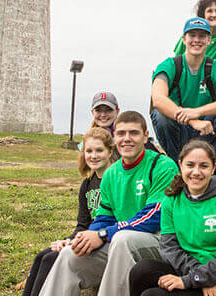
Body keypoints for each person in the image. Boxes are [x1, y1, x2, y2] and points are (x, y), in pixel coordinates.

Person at [40, 112, 179, 296]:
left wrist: (104, 234)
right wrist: (88, 235)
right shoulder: (112, 173)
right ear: (114, 138)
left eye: (134, 133)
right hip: (121, 242)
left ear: (146, 136)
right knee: (70, 254)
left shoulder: (162, 166)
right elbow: (104, 216)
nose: (127, 139)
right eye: (121, 134)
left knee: (122, 240)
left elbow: (154, 216)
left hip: (161, 242)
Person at [129, 140, 216, 296]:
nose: (196, 172)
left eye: (204, 166)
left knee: (153, 295)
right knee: (142, 271)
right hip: (191, 273)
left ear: (213, 168)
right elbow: (169, 248)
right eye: (190, 165)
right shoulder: (171, 201)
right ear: (181, 166)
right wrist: (198, 277)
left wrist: (196, 279)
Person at [22, 127, 114, 296]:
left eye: (99, 150)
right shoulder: (87, 184)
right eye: (89, 151)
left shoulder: (115, 180)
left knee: (52, 259)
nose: (93, 156)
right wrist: (67, 240)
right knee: (43, 256)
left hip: (101, 240)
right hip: (84, 237)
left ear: (110, 152)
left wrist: (77, 241)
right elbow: (82, 224)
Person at [151, 17, 216, 167]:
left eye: (202, 36)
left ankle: (213, 166)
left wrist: (197, 112)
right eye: (192, 35)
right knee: (160, 114)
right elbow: (158, 99)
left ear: (209, 40)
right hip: (179, 127)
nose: (196, 40)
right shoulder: (170, 65)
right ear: (184, 39)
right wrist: (192, 121)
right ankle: (177, 167)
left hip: (207, 128)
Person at [90, 91, 157, 157]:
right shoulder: (87, 141)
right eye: (98, 110)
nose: (103, 114)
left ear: (117, 111)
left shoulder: (134, 136)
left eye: (108, 110)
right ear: (92, 112)